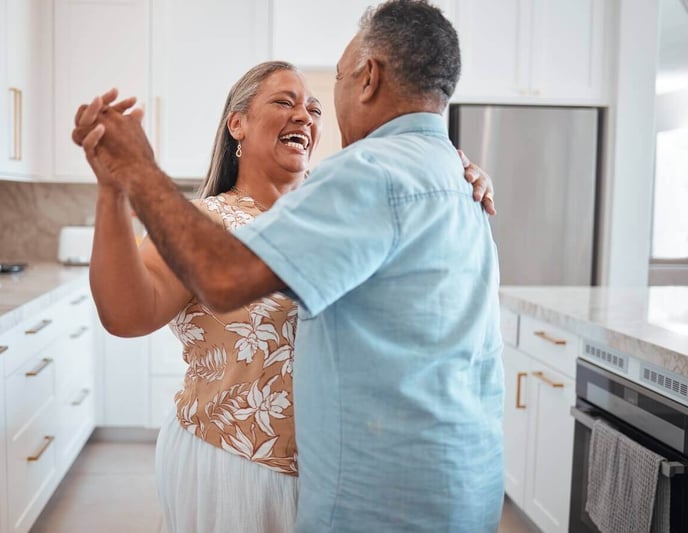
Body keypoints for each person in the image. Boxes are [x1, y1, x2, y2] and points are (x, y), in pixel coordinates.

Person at [75, 1, 502, 530]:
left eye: (316, 107)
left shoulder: (352, 196)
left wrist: (451, 170)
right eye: (285, 102)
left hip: (337, 485)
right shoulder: (201, 226)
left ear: (368, 81)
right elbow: (125, 313)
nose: (307, 115)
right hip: (233, 470)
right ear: (238, 123)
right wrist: (115, 189)